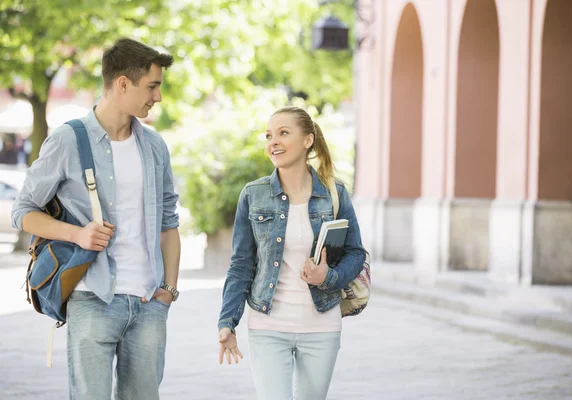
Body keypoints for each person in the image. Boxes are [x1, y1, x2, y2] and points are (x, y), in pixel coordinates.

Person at [11, 38, 181, 400]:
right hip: (93, 297)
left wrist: (169, 289)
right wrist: (77, 234)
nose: (158, 97)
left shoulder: (154, 146)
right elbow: (22, 211)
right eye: (152, 86)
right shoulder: (68, 140)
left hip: (149, 301)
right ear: (123, 84)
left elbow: (169, 223)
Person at [218, 106, 367, 400]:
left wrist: (329, 276)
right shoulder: (253, 194)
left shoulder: (334, 192)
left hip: (321, 324)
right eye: (269, 135)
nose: (273, 141)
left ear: (308, 140)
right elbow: (241, 264)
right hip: (268, 323)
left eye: (283, 133)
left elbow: (356, 253)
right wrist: (227, 322)